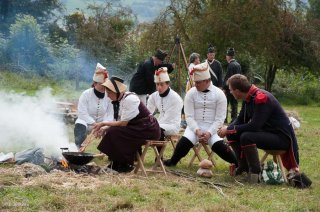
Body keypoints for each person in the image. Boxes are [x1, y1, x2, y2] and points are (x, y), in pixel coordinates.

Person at [218, 74, 299, 183]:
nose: (230, 92)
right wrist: (228, 129)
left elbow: (255, 126)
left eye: (231, 90)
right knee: (232, 134)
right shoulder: (249, 97)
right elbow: (240, 119)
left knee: (246, 136)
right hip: (270, 134)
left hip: (282, 139)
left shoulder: (262, 98)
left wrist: (228, 129)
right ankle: (243, 167)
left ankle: (255, 173)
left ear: (237, 91)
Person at [164, 62, 238, 167]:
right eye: (195, 82)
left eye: (198, 82)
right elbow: (189, 116)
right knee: (184, 142)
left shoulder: (220, 94)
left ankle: (238, 164)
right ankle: (173, 161)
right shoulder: (191, 93)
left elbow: (220, 118)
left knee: (220, 146)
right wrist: (197, 130)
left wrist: (209, 133)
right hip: (194, 126)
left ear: (207, 81)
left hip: (212, 127)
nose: (195, 84)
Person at [94, 76, 161, 173]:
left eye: (109, 93)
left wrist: (104, 123)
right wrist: (106, 127)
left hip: (148, 129)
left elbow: (123, 123)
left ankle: (125, 165)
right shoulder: (122, 100)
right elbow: (123, 121)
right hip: (138, 127)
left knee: (115, 132)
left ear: (116, 92)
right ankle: (117, 163)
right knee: (113, 131)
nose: (108, 96)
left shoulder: (130, 100)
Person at [74, 63, 113, 149]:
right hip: (87, 122)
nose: (104, 87)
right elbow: (82, 113)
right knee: (80, 124)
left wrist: (104, 125)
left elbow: (110, 114)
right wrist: (94, 124)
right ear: (95, 84)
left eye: (105, 85)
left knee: (112, 129)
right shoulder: (86, 94)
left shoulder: (109, 95)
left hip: (102, 123)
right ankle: (78, 150)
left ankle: (109, 153)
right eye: (101, 84)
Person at [147, 67, 183, 142]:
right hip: (159, 124)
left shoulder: (176, 98)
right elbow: (148, 112)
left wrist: (153, 124)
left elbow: (169, 118)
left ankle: (160, 154)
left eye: (162, 84)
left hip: (172, 125)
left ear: (168, 84)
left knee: (156, 129)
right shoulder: (153, 96)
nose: (159, 87)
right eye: (157, 84)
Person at [223, 48, 241, 123]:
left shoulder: (230, 65)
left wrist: (224, 88)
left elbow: (228, 78)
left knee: (226, 104)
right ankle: (234, 119)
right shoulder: (238, 64)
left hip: (229, 88)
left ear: (228, 56)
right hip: (236, 87)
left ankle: (225, 118)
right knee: (234, 104)